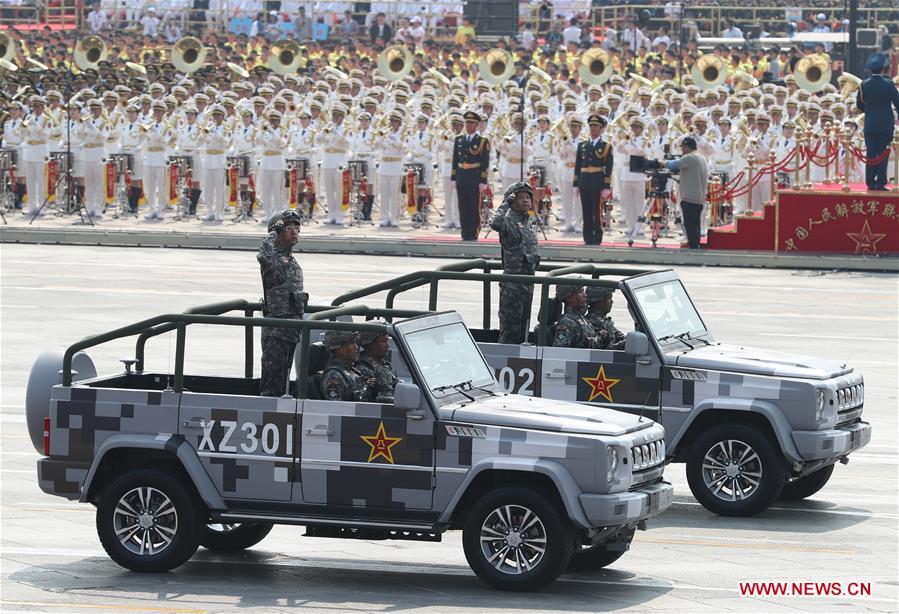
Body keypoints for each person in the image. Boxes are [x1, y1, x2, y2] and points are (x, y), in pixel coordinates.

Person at [258, 210, 306, 397]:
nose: (295, 231)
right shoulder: (272, 257)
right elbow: (263, 256)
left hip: (291, 332)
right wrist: (273, 233)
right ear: (278, 232)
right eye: (288, 228)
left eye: (297, 227)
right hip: (276, 332)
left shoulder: (290, 259)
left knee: (284, 382)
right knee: (272, 385)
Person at [490, 181, 539, 345]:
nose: (526, 200)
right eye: (521, 197)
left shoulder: (527, 222)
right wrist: (506, 204)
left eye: (528, 197)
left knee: (524, 330)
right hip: (513, 285)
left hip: (528, 283)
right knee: (510, 331)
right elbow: (495, 223)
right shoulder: (508, 220)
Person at [857, 53, 899, 191]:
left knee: (871, 154)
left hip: (869, 123)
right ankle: (880, 182)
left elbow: (860, 105)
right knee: (882, 154)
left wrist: (869, 110)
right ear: (883, 69)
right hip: (885, 124)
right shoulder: (889, 84)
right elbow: (897, 103)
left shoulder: (864, 84)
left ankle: (870, 182)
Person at [658, 136, 709, 249]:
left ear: (686, 146)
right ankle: (696, 247)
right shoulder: (701, 157)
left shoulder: (690, 157)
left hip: (689, 198)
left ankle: (693, 249)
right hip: (699, 198)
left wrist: (658, 162)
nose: (682, 150)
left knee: (690, 226)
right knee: (696, 226)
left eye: (683, 147)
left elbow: (673, 165)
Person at [574, 114, 613, 245]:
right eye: (591, 126)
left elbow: (608, 167)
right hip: (584, 181)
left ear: (601, 129)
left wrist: (607, 186)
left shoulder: (606, 146)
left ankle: (597, 237)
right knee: (586, 211)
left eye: (595, 126)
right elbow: (578, 165)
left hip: (597, 182)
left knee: (597, 211)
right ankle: (587, 237)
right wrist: (576, 184)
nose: (593, 129)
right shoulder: (582, 145)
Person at [451, 110, 490, 241]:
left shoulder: (482, 142)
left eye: (471, 123)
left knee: (473, 207)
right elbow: (455, 160)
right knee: (463, 207)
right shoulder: (459, 140)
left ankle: (473, 233)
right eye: (467, 123)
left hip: (474, 177)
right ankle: (464, 232)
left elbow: (485, 162)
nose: (468, 126)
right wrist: (454, 177)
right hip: (462, 176)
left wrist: (483, 180)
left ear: (477, 125)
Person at [321, 330, 369, 401]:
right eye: (351, 343)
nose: (356, 347)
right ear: (338, 348)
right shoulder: (333, 376)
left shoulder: (352, 371)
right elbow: (336, 408)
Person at [356, 327, 398, 403]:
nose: (388, 346)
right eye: (383, 341)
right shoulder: (362, 367)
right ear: (370, 344)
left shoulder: (384, 365)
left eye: (387, 341)